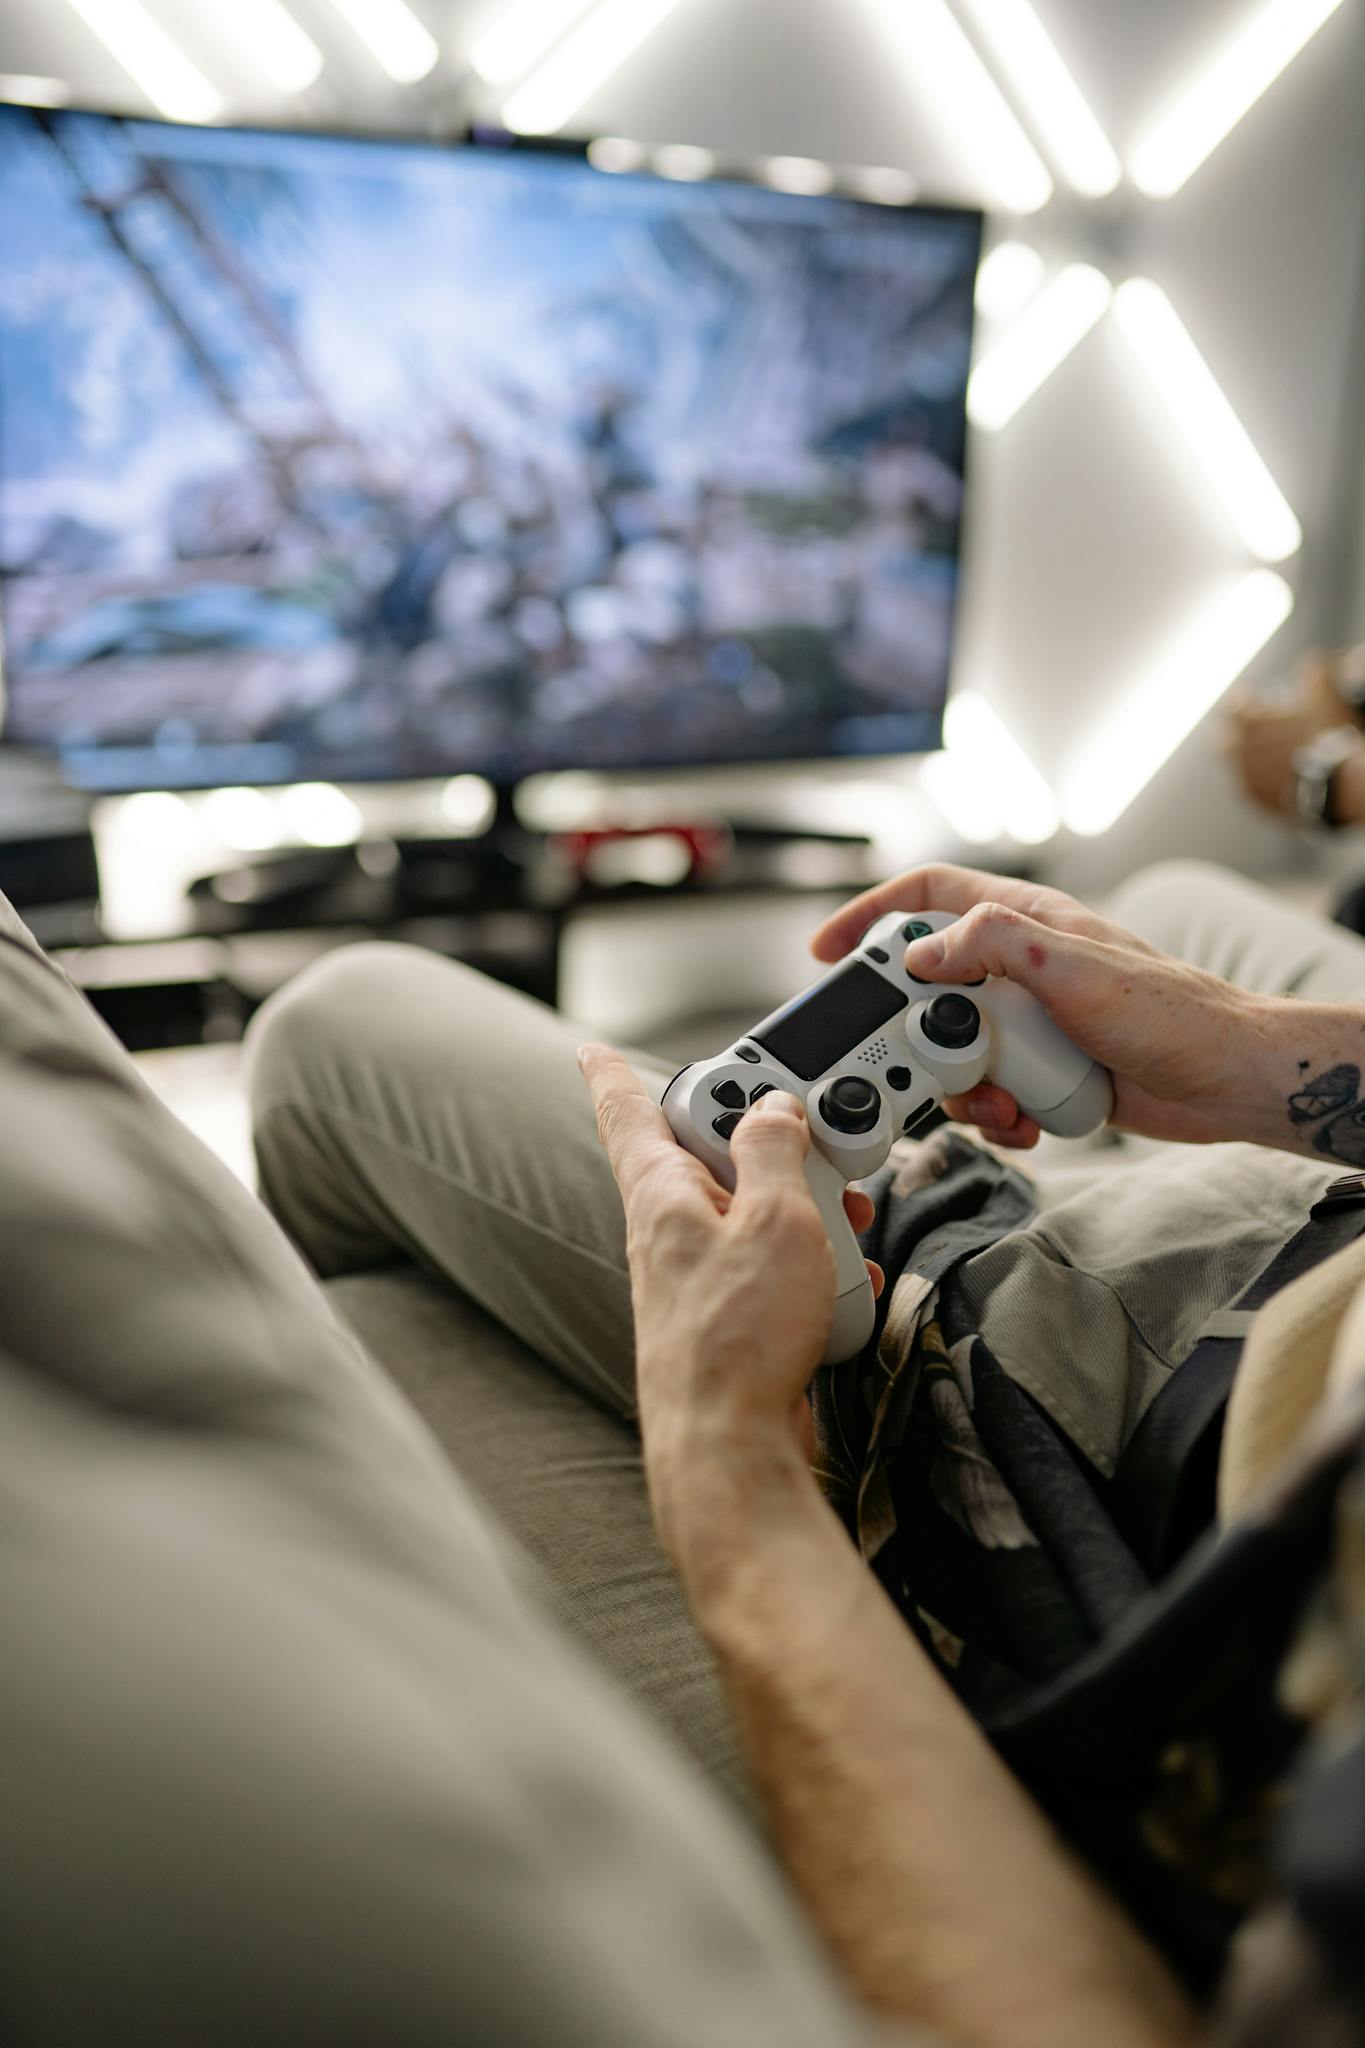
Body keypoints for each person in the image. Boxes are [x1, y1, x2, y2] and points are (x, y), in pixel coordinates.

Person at [247, 857, 1365, 2048]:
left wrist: (723, 1454)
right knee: (1161, 899)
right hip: (1299, 1223)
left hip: (1064, 1402)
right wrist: (1271, 1060)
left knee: (331, 1034)